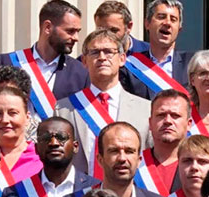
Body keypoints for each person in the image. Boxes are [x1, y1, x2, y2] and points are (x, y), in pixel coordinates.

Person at [56, 28, 153, 176]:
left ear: (122, 59)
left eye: (109, 52)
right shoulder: (63, 109)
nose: (102, 57)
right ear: (84, 61)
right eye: (94, 52)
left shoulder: (146, 109)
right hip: (82, 195)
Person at [0, 0, 88, 112]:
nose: (76, 38)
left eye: (78, 32)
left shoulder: (80, 72)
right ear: (47, 27)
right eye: (70, 31)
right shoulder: (8, 62)